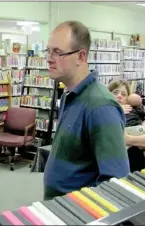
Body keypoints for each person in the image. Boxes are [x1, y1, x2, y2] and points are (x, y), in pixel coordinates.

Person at [43, 21, 130, 201]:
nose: (49, 58)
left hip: (76, 213)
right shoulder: (69, 96)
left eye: (58, 52)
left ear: (81, 57)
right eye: (48, 51)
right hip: (58, 207)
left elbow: (114, 181)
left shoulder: (101, 106)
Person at [108, 79, 145, 172]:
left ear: (128, 99)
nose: (119, 96)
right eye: (115, 92)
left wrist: (128, 139)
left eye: (123, 94)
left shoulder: (135, 113)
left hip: (135, 168)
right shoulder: (100, 113)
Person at [122, 92, 145, 167]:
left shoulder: (123, 111)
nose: (119, 96)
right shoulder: (139, 109)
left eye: (123, 94)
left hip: (126, 129)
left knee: (124, 148)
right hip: (137, 128)